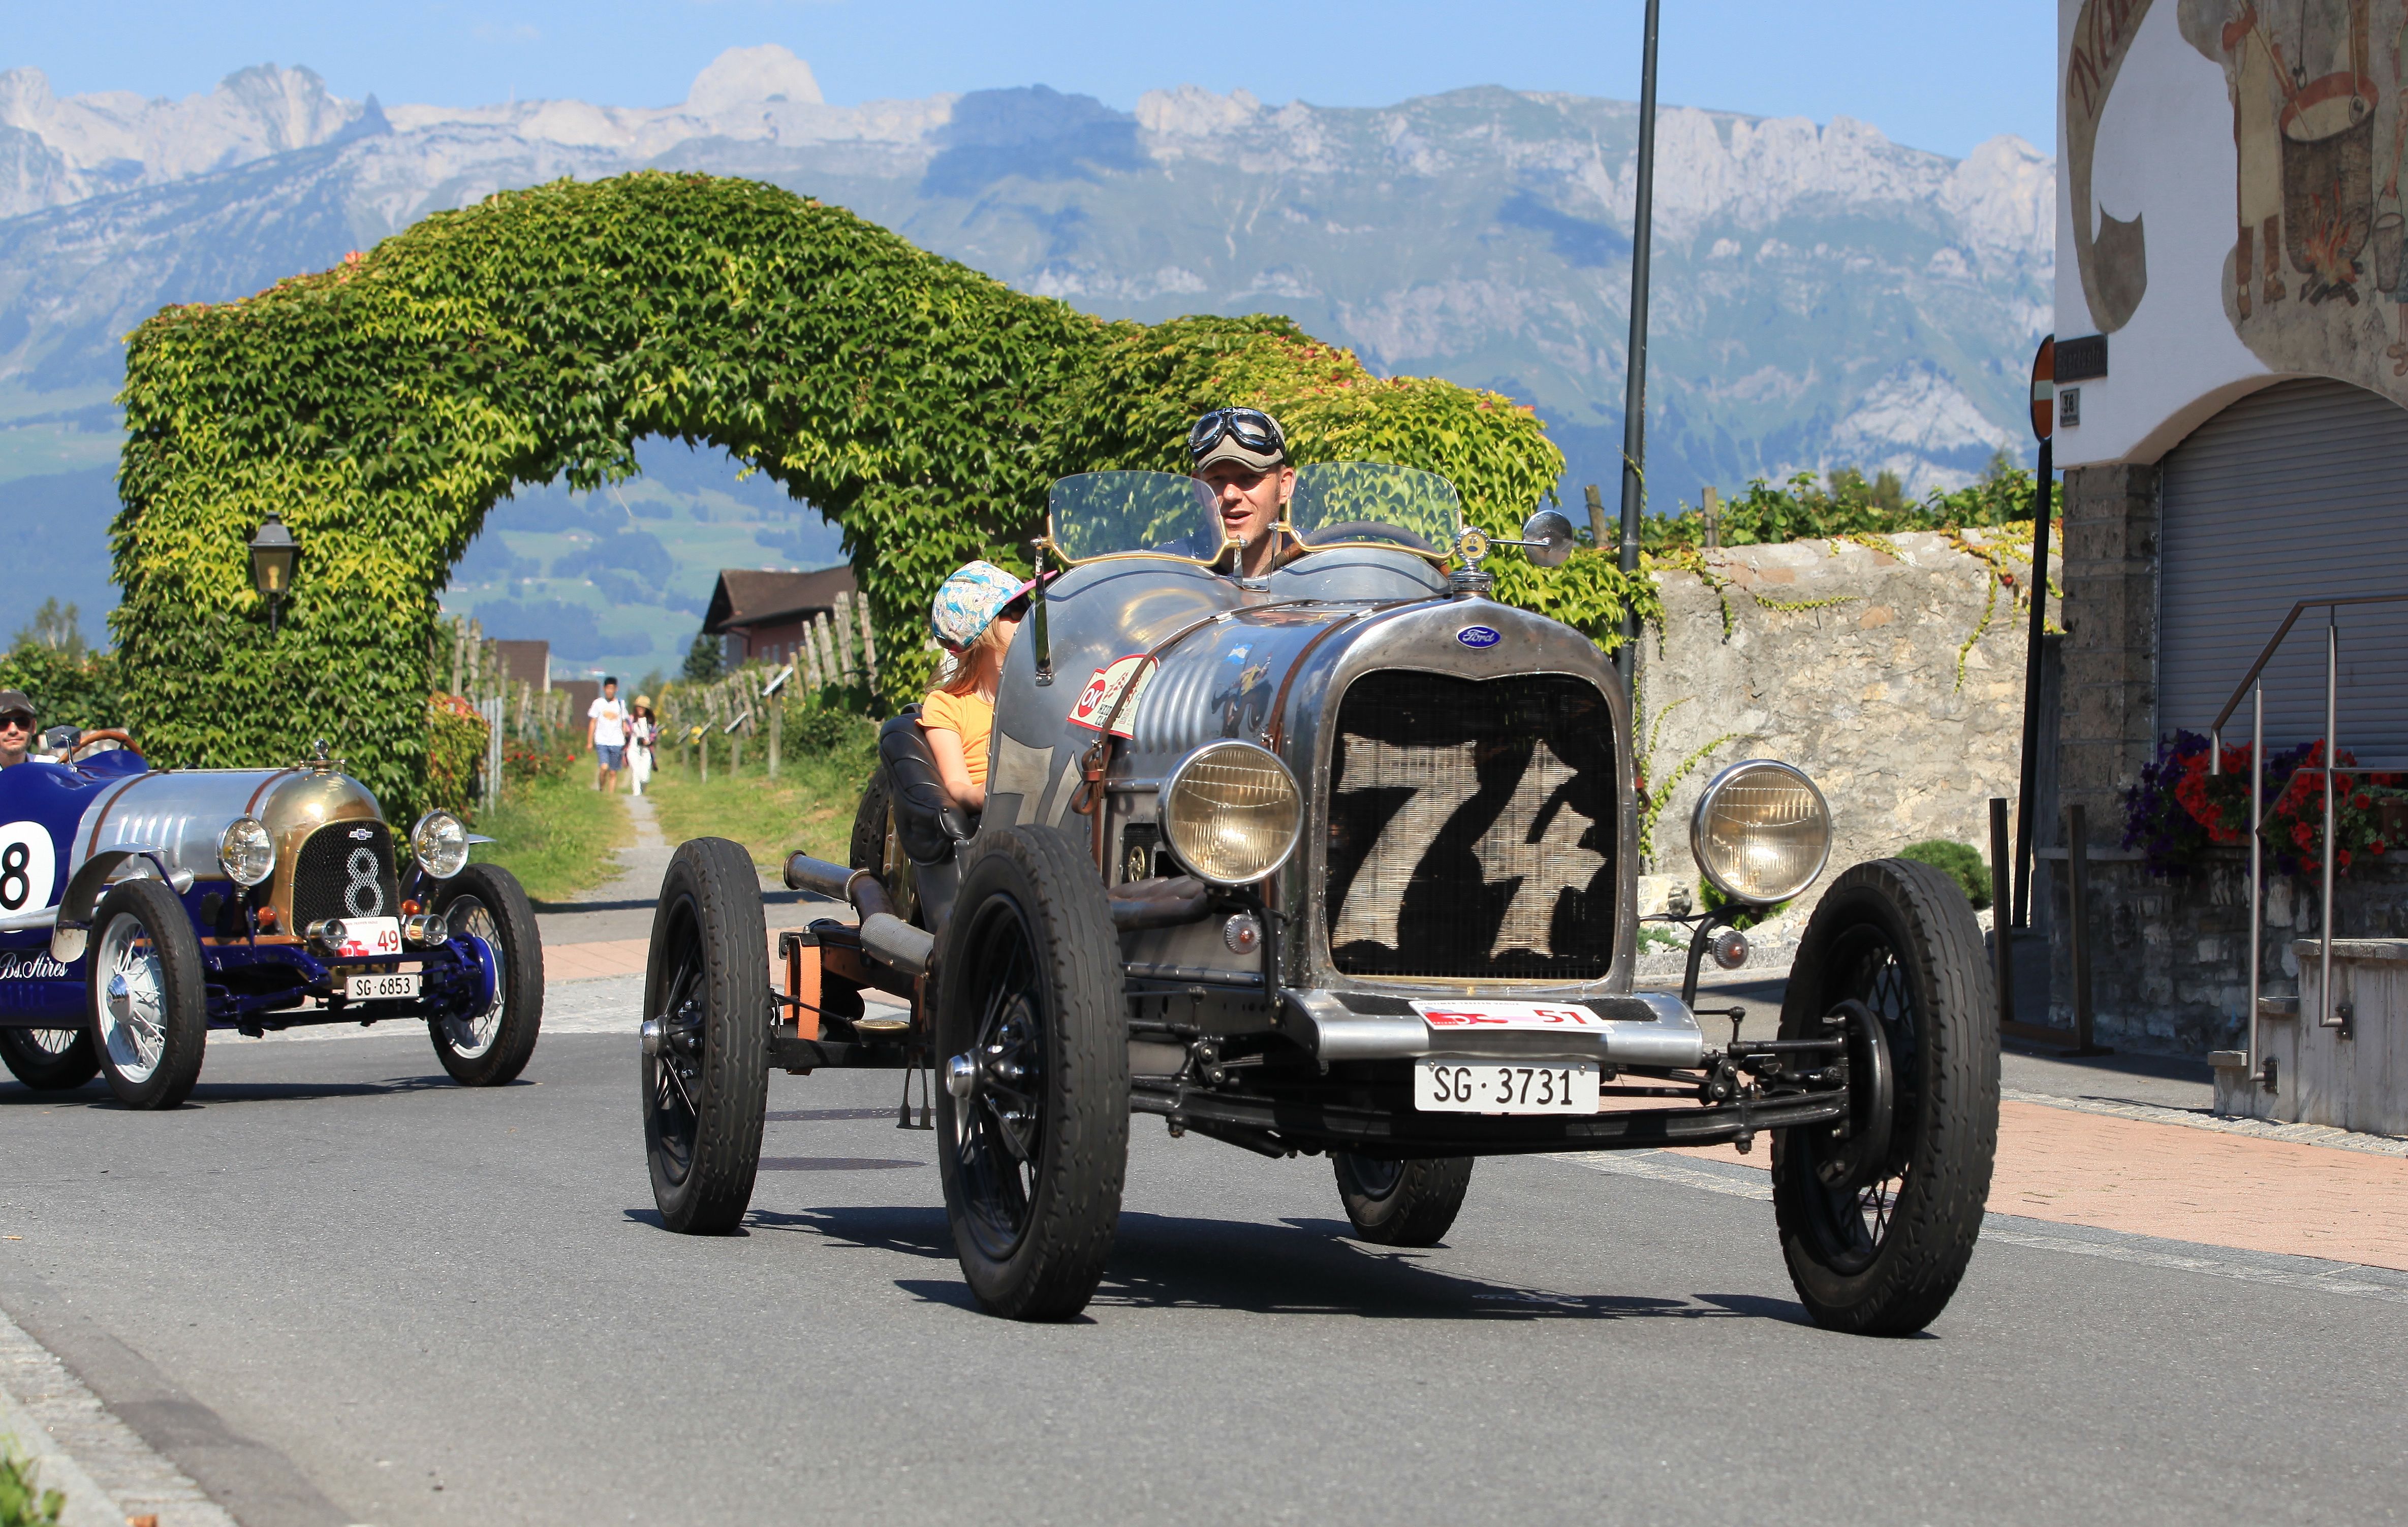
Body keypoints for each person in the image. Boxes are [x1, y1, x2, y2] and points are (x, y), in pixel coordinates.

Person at [920, 561, 1028, 813]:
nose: (1029, 615)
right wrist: (981, 794)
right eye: (1015, 609)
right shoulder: (947, 705)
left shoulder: (1047, 689)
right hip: (998, 820)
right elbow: (957, 785)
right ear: (979, 634)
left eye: (1029, 604)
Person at [1188, 406, 1298, 579]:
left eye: (1249, 477)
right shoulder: (1167, 572)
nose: (1230, 495)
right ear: (1198, 488)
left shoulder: (1327, 565)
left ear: (1284, 485)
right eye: (1216, 479)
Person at [587, 676, 629, 793]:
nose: (610, 691)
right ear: (604, 689)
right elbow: (593, 723)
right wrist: (590, 742)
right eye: (608, 688)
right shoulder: (598, 703)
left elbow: (624, 722)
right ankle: (601, 788)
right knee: (604, 767)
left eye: (612, 689)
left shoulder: (621, 704)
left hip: (617, 741)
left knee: (613, 771)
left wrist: (626, 734)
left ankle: (610, 795)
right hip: (602, 741)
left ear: (616, 689)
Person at [627, 696, 657, 797]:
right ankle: (636, 796)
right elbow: (627, 732)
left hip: (646, 750)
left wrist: (648, 742)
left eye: (643, 708)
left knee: (645, 777)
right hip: (633, 748)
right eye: (639, 707)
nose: (640, 709)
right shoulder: (631, 720)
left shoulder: (651, 722)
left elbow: (654, 736)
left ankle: (642, 792)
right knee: (636, 771)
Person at [0, 691, 35, 769]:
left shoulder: (51, 770)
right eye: (2, 723)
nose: (13, 730)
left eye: (22, 722)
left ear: (33, 727)